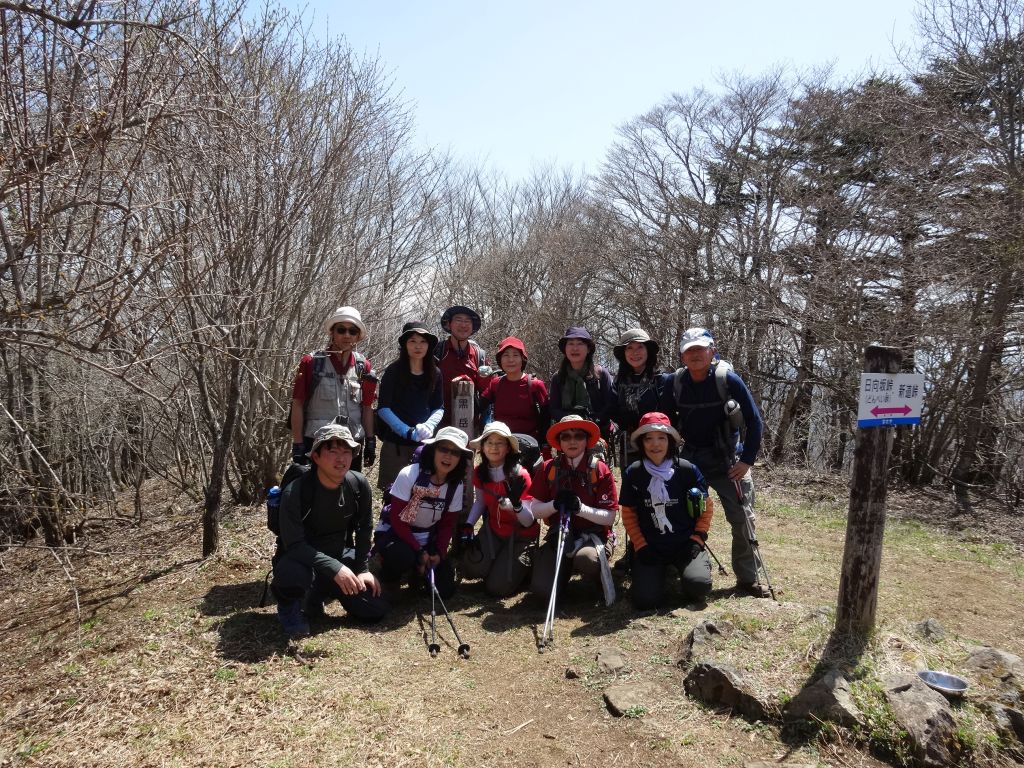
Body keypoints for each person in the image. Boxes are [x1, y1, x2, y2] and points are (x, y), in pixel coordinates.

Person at [670, 327, 769, 598]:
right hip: (691, 459)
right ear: (682, 355)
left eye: (700, 349)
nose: (695, 354)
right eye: (689, 350)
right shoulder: (677, 382)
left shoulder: (728, 379)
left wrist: (747, 460)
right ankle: (677, 570)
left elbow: (754, 421)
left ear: (712, 351)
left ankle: (748, 580)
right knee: (679, 514)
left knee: (742, 519)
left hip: (728, 461)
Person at [271, 424, 389, 638]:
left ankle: (317, 595)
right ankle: (290, 608)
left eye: (346, 452)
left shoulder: (357, 484)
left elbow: (364, 528)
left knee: (374, 610)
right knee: (292, 573)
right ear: (315, 456)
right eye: (332, 451)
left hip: (339, 555)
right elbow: (295, 545)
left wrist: (362, 569)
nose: (341, 459)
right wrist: (336, 569)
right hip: (303, 560)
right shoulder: (296, 491)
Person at [619, 412, 713, 609]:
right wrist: (640, 545)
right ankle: (657, 571)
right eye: (649, 439)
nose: (656, 445)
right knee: (646, 601)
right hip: (650, 547)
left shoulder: (688, 470)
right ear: (641, 443)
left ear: (670, 441)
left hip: (686, 544)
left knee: (699, 587)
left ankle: (689, 567)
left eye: (661, 438)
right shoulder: (633, 473)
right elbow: (628, 514)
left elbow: (706, 508)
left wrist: (697, 538)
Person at [529, 415, 618, 606]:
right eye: (566, 437)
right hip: (559, 535)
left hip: (593, 534)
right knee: (541, 592)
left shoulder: (599, 470)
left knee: (586, 560)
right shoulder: (548, 469)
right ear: (559, 442)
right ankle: (563, 569)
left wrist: (581, 508)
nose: (572, 441)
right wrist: (554, 504)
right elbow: (535, 510)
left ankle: (594, 578)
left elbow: (610, 517)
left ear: (587, 441)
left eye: (578, 436)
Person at [376, 426, 471, 599]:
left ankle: (418, 571)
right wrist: (419, 551)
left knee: (444, 590)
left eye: (455, 452)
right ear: (433, 450)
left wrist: (439, 553)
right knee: (402, 557)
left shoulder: (455, 484)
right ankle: (390, 575)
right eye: (443, 449)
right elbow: (398, 521)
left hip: (428, 538)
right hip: (397, 534)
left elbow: (447, 524)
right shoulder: (409, 475)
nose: (448, 456)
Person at [289, 306, 376, 471]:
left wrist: (370, 441)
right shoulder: (311, 362)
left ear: (358, 336)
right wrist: (298, 443)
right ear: (332, 332)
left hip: (352, 444)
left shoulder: (363, 366)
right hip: (317, 444)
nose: (347, 335)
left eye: (352, 331)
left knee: (349, 492)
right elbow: (298, 404)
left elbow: (367, 407)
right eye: (341, 330)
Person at [459, 422, 537, 597]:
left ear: (508, 448)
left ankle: (526, 567)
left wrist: (513, 505)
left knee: (497, 588)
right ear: (483, 447)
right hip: (494, 530)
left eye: (500, 442)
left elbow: (528, 520)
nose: (494, 447)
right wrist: (469, 524)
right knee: (471, 568)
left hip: (520, 536)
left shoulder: (520, 475)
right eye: (489, 442)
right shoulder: (480, 472)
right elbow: (480, 502)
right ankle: (499, 565)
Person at [375, 321, 444, 491]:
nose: (418, 346)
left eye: (423, 342)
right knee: (391, 495)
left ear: (429, 345)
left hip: (425, 445)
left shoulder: (435, 373)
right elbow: (383, 408)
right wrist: (406, 431)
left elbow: (439, 407)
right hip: (395, 445)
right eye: (412, 341)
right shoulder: (393, 371)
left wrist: (429, 426)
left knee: (422, 494)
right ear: (405, 345)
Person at [612, 328, 674, 469]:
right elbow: (613, 411)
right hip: (629, 449)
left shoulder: (663, 380)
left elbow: (669, 414)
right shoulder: (618, 382)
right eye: (630, 348)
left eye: (640, 346)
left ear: (648, 351)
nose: (635, 352)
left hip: (658, 447)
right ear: (624, 353)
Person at [548, 327, 616, 440]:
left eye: (580, 343)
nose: (575, 348)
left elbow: (610, 405)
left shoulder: (601, 374)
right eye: (570, 343)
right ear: (565, 349)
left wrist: (590, 422)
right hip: (568, 434)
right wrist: (572, 421)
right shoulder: (558, 378)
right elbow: (554, 409)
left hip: (598, 433)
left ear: (588, 349)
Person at [480, 336, 549, 444]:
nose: (510, 360)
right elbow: (478, 406)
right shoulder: (495, 384)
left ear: (523, 359)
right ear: (500, 360)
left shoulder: (535, 385)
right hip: (501, 443)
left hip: (529, 443)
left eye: (515, 355)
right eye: (506, 355)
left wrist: (544, 444)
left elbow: (546, 417)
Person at [434, 305, 488, 431]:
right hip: (437, 425)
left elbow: (486, 392)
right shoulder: (437, 352)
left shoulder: (479, 356)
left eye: (467, 321)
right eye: (458, 320)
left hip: (468, 425)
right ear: (449, 324)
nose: (463, 325)